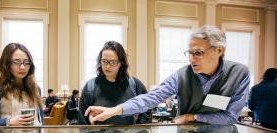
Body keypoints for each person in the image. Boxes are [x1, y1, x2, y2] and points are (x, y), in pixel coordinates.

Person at [85, 25, 250, 125]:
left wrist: (191, 117)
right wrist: (115, 110)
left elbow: (230, 117)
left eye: (198, 52)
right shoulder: (182, 75)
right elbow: (150, 98)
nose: (192, 59)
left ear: (219, 50)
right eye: (190, 52)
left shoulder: (239, 74)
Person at [79, 41, 151, 125]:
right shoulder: (90, 86)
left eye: (112, 62)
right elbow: (82, 121)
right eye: (104, 61)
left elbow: (148, 105)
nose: (107, 66)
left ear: (121, 63)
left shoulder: (133, 84)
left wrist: (139, 128)